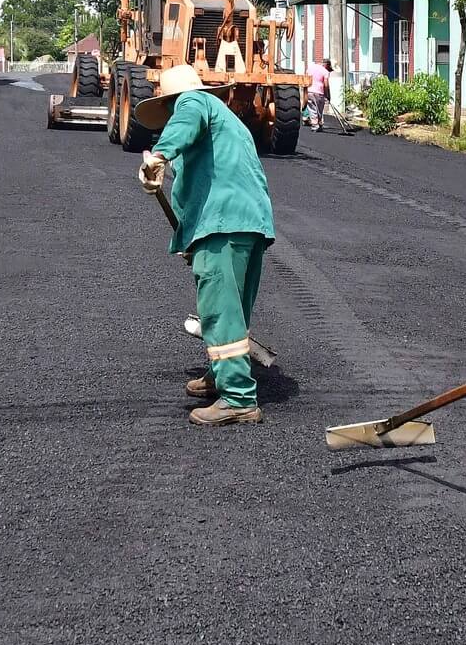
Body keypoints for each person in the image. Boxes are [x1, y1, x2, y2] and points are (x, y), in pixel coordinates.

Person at [136, 64, 275, 427]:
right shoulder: (225, 125)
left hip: (223, 223)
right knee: (233, 308)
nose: (168, 116)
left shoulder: (193, 103)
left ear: (172, 103)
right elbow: (192, 192)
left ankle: (238, 397)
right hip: (246, 222)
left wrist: (160, 155)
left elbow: (184, 121)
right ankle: (222, 374)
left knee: (219, 309)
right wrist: (188, 240)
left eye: (168, 109)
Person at [307, 58, 331, 133]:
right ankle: (318, 124)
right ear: (326, 65)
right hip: (319, 92)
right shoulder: (325, 71)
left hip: (309, 91)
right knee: (319, 109)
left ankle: (315, 125)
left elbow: (306, 79)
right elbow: (326, 84)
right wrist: (328, 95)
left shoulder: (310, 68)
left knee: (312, 108)